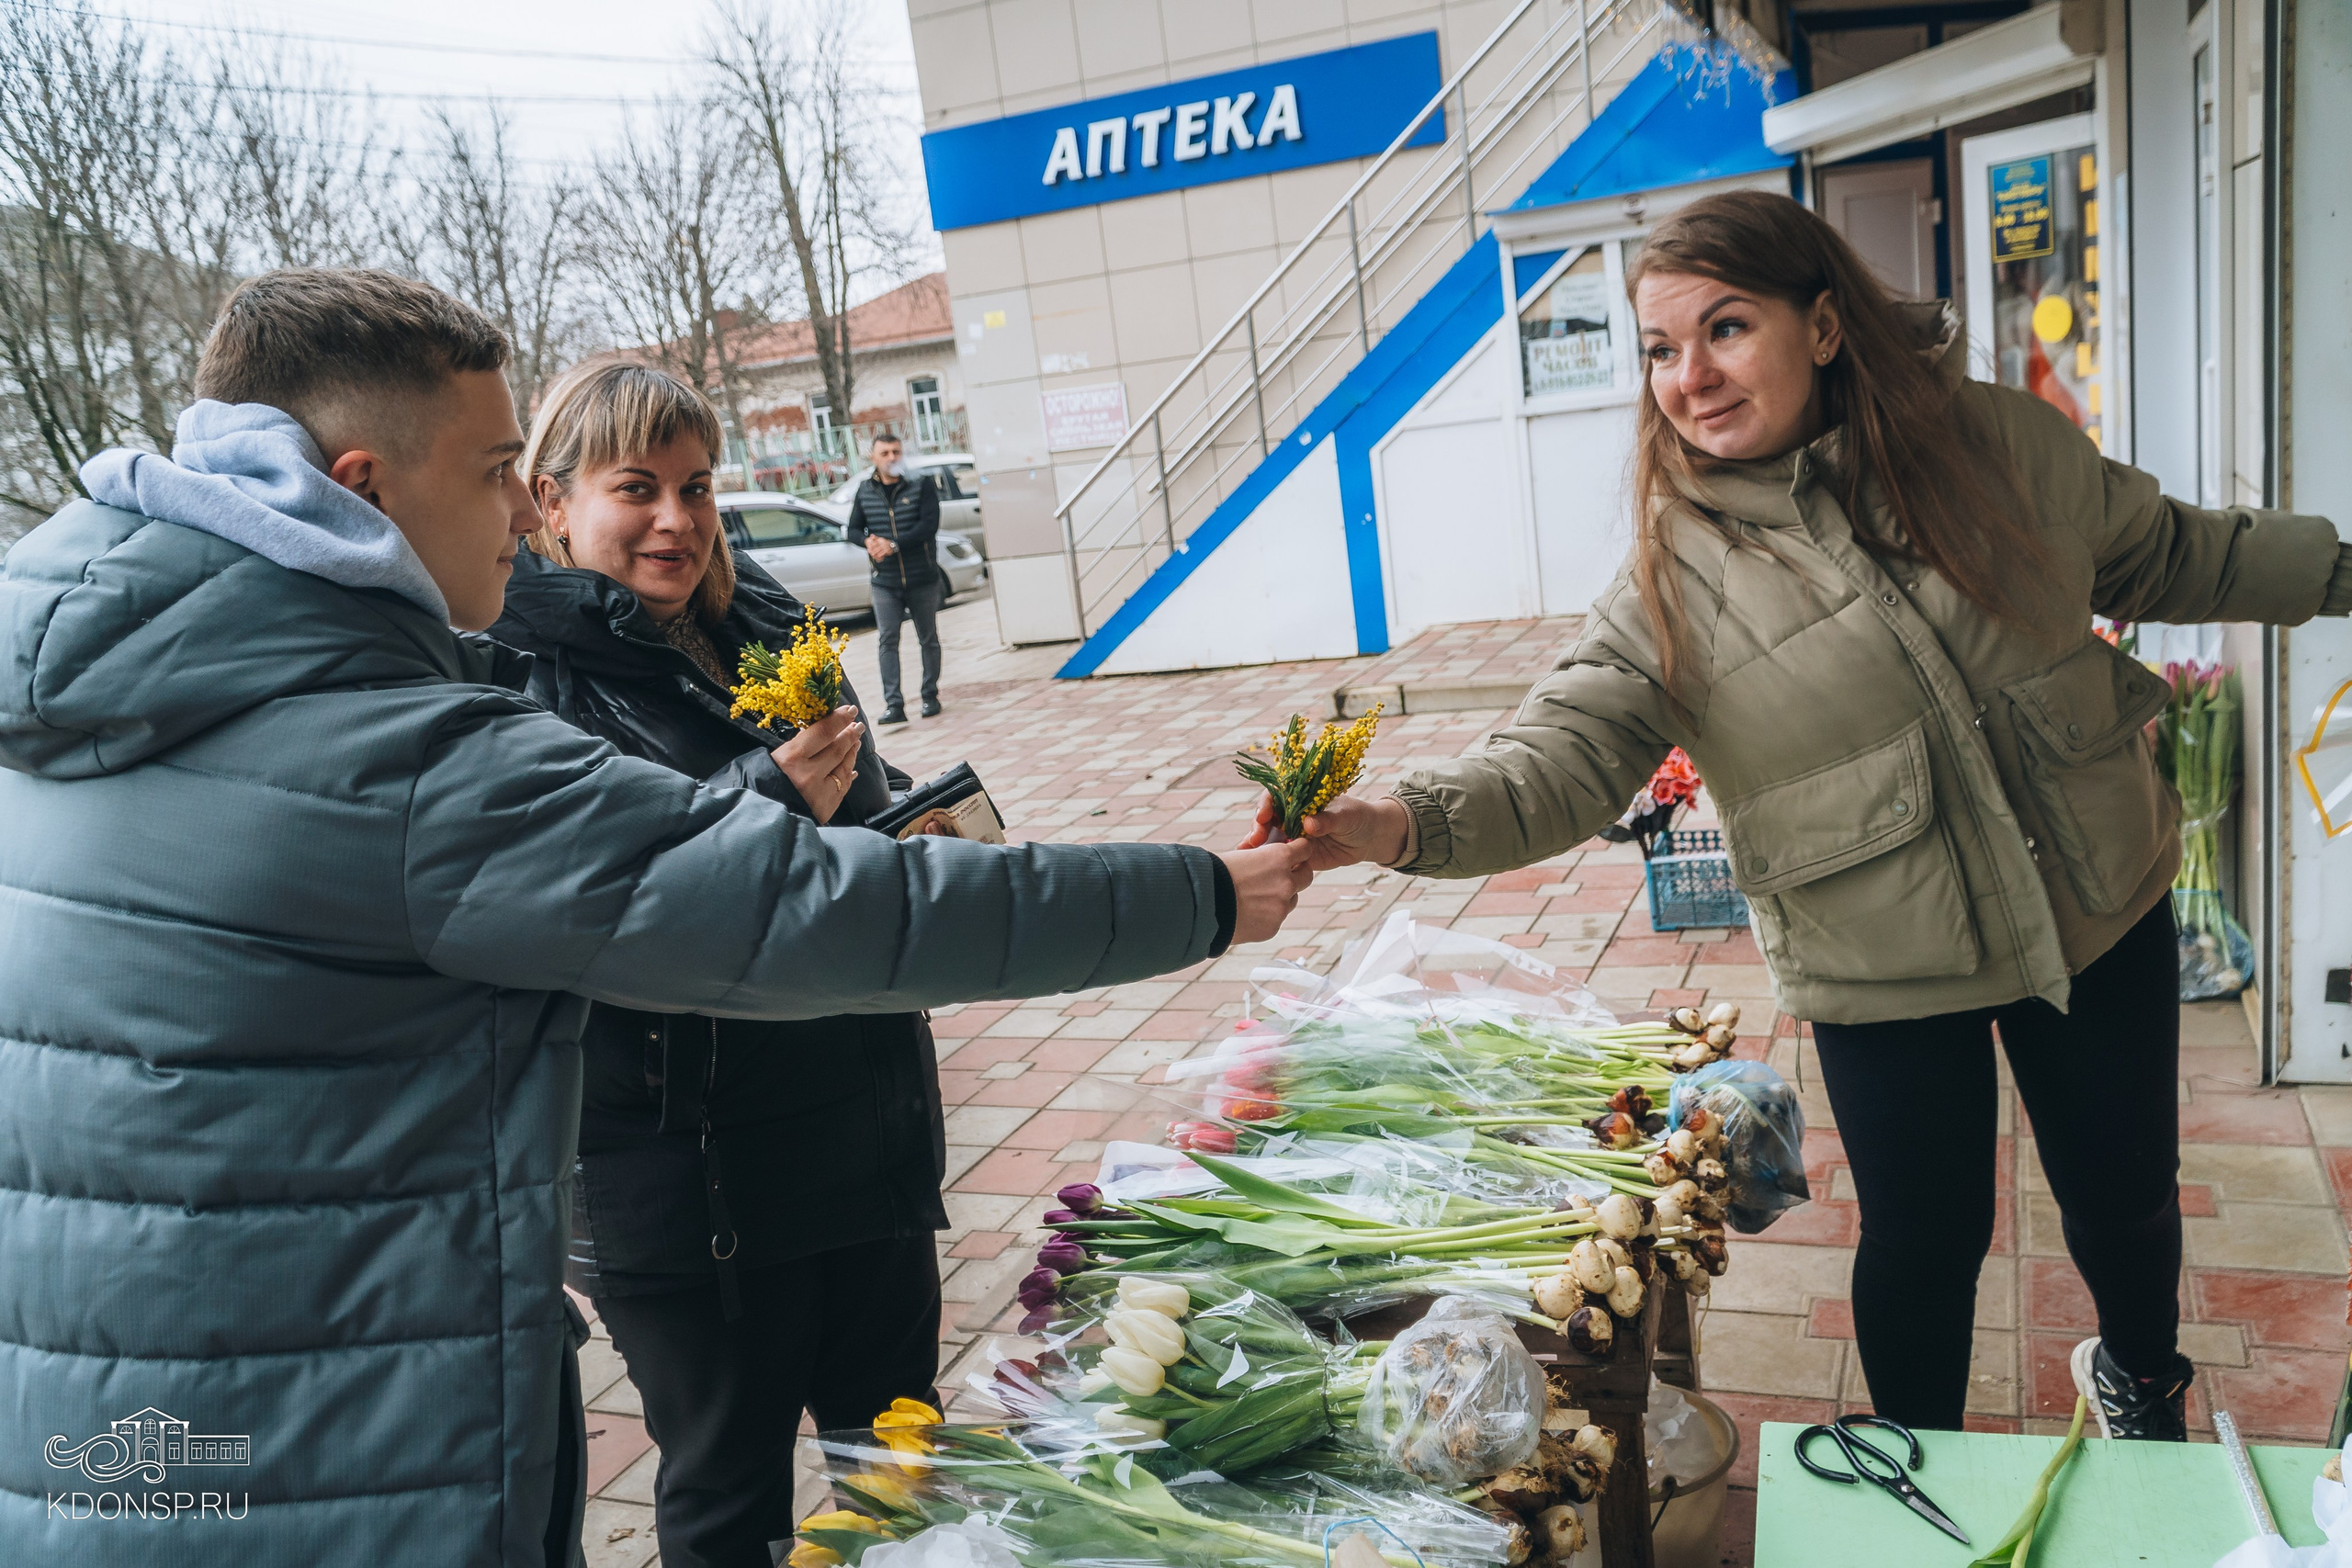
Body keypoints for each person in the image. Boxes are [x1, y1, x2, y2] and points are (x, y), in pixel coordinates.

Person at [0, 267, 1314, 1567]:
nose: (522, 508)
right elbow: (795, 906)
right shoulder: (412, 746)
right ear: (361, 488)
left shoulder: (104, 700)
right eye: (502, 472)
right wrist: (1198, 891)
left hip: (138, 1421)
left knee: (885, 1460)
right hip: (349, 1423)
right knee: (731, 1488)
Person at [1251, 191, 2352, 1441]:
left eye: (1725, 328)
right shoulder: (1672, 577)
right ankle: (1918, 1467)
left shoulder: (1999, 444)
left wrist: (2339, 572)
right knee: (1926, 1237)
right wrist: (1395, 820)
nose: (1689, 377)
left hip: (2097, 895)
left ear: (1823, 326)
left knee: (2125, 1195)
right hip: (1882, 960)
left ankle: (2143, 1384)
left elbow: (2170, 549)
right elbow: (1559, 758)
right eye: (1660, 349)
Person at [490, 361, 951, 1568]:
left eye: (696, 487)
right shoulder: (520, 676)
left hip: (864, 1124)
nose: (677, 520)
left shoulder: (767, 625)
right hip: (691, 1182)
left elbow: (858, 813)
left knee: (898, 1464)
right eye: (635, 487)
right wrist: (768, 796)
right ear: (552, 500)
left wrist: (918, 826)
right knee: (729, 1490)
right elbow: (592, 908)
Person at [844, 431, 943, 724]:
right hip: (885, 582)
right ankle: (894, 705)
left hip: (921, 577)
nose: (891, 458)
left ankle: (930, 696)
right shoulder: (865, 490)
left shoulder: (921, 484)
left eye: (896, 452)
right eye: (885, 453)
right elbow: (852, 529)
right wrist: (869, 542)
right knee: (887, 640)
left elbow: (929, 526)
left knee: (928, 638)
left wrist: (894, 544)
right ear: (873, 458)